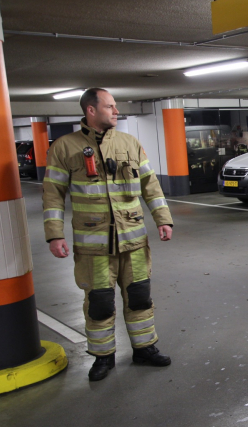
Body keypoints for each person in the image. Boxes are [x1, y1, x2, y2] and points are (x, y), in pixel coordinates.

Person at [43, 88, 174, 381]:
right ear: (91, 110)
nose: (116, 111)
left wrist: (163, 219)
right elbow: (53, 195)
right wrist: (54, 234)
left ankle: (145, 348)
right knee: (99, 302)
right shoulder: (65, 147)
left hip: (134, 241)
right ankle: (103, 357)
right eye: (110, 106)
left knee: (140, 297)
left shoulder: (130, 143)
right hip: (94, 246)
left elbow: (150, 185)